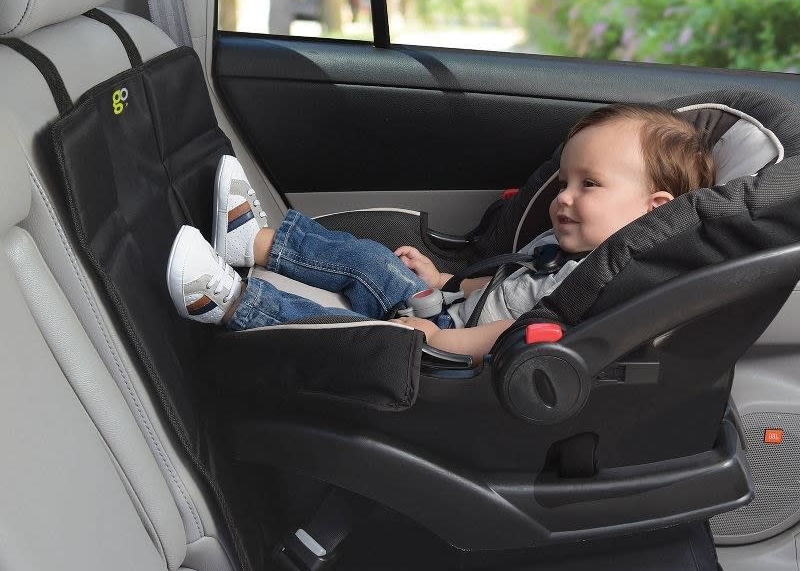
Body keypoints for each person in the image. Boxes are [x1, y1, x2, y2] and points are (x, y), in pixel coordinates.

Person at [167, 104, 714, 362]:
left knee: (352, 332)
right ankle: (252, 242)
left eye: (588, 184)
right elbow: (505, 282)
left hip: (449, 356)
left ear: (652, 210)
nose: (563, 197)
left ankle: (231, 304)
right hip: (445, 312)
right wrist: (446, 281)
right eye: (564, 180)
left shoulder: (600, 284)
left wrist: (437, 339)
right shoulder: (563, 242)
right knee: (371, 262)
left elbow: (511, 335)